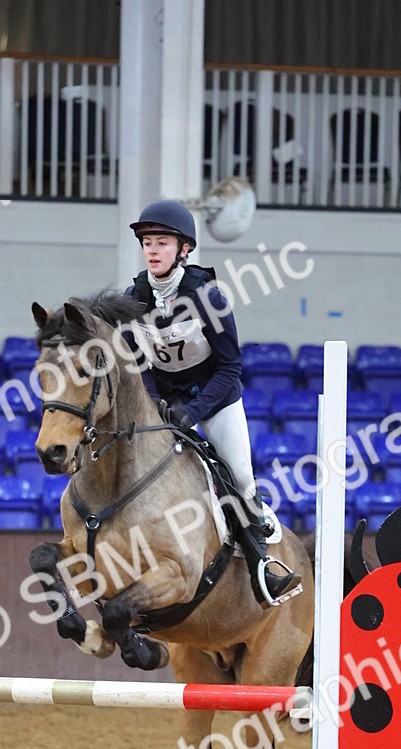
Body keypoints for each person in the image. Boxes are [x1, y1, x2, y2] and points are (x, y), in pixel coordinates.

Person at [124, 198, 300, 605]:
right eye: (147, 242)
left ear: (184, 249)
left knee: (240, 477)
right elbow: (139, 363)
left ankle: (264, 567)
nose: (152, 249)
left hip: (213, 397)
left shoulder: (208, 297)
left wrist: (193, 412)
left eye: (162, 242)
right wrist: (155, 403)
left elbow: (230, 367)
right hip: (163, 401)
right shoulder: (134, 299)